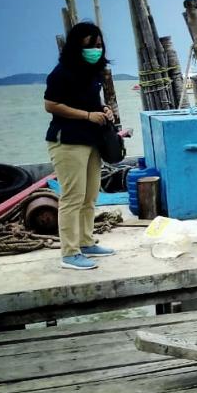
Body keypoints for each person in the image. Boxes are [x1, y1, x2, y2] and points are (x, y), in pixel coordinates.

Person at [44, 22, 116, 270]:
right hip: (67, 141)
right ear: (76, 46)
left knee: (90, 195)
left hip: (92, 141)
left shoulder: (93, 73)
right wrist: (86, 116)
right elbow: (51, 105)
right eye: (89, 45)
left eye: (98, 45)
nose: (95, 50)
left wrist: (103, 110)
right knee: (72, 197)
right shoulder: (61, 73)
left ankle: (85, 242)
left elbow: (92, 102)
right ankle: (69, 253)